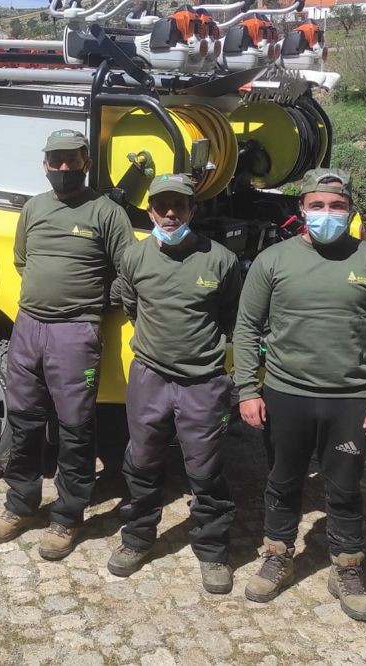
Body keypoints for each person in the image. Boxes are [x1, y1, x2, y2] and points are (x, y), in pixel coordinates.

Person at [233, 168, 366, 622]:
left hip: (350, 400)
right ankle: (277, 554)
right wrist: (247, 390)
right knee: (283, 480)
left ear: (349, 210)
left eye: (336, 206)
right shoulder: (274, 260)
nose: (326, 213)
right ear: (302, 209)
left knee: (345, 487)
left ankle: (347, 567)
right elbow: (247, 328)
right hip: (284, 394)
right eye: (317, 205)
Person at [0, 129, 135, 560]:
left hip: (76, 332)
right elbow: (21, 258)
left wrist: (98, 303)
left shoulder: (106, 212)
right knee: (25, 419)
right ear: (45, 164)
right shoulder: (33, 208)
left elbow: (128, 270)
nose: (64, 168)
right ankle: (20, 504)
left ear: (86, 162)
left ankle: (68, 517)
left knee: (74, 427)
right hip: (28, 326)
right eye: (56, 160)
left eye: (72, 159)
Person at [106, 174, 243, 594]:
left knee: (205, 467)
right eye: (161, 205)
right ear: (149, 210)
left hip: (203, 381)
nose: (170, 213)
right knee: (142, 460)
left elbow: (233, 318)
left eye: (179, 205)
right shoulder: (133, 257)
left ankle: (213, 549)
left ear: (192, 210)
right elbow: (130, 304)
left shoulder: (220, 260)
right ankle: (138, 537)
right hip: (149, 375)